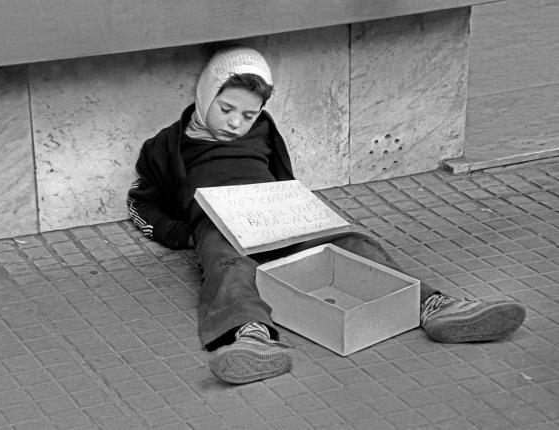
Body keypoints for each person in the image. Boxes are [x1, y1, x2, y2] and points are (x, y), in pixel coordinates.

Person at [127, 46, 526, 385]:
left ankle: (432, 305)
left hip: (275, 215)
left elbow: (283, 176)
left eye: (247, 115)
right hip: (218, 224)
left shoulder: (263, 129)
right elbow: (141, 202)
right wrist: (182, 234)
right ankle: (252, 336)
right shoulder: (166, 145)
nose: (235, 123)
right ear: (205, 96)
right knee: (227, 268)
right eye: (226, 108)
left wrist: (299, 213)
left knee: (352, 242)